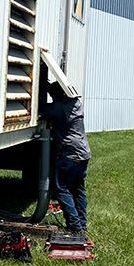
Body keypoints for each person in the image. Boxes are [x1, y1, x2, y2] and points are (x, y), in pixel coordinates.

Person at [43, 81, 90, 235]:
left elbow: (41, 109)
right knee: (78, 189)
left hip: (69, 153)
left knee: (61, 188)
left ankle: (75, 226)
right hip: (83, 152)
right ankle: (82, 225)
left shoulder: (59, 108)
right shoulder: (76, 103)